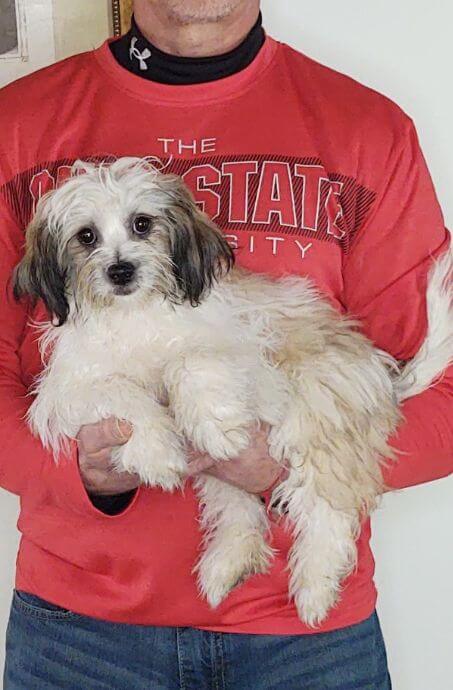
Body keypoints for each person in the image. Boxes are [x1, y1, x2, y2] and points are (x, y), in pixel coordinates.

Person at [0, 1, 451, 688]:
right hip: (77, 637)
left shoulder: (366, 128)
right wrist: (75, 472)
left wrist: (289, 463)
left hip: (307, 643)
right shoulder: (16, 123)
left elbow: (440, 392)